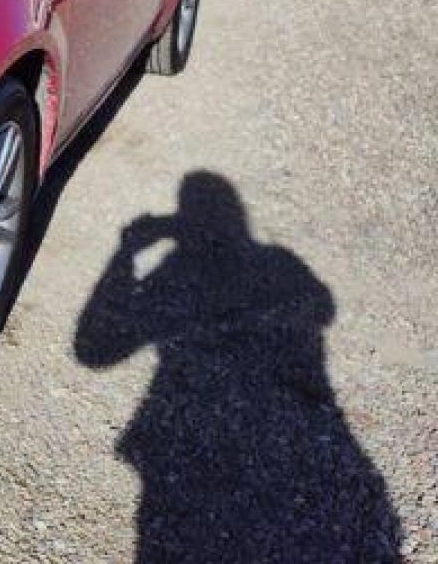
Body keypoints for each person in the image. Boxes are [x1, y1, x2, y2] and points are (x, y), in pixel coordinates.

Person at [74, 171, 400, 563]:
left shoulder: (175, 272)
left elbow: (96, 350)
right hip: (281, 451)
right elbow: (322, 306)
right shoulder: (280, 263)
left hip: (185, 451)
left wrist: (126, 252)